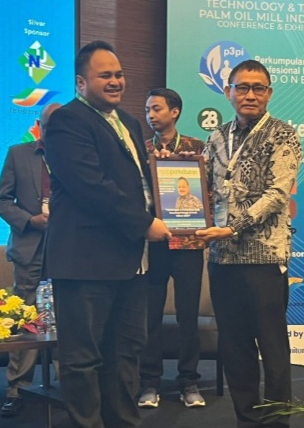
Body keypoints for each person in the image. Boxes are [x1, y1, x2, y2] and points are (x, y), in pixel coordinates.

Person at [44, 40, 172, 428]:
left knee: (125, 354)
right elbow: (92, 186)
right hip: (86, 261)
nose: (116, 81)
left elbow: (139, 186)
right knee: (82, 360)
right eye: (105, 75)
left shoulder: (130, 123)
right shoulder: (67, 121)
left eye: (119, 74)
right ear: (81, 83)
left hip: (129, 261)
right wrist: (144, 223)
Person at [196, 59, 302, 428]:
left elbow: (277, 194)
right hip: (222, 258)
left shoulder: (282, 134)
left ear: (269, 93)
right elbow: (203, 189)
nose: (250, 94)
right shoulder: (216, 138)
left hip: (264, 258)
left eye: (258, 88)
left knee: (272, 348)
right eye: (242, 87)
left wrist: (233, 227)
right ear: (228, 92)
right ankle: (246, 420)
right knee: (234, 346)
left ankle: (277, 423)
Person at [138, 88, 207, 409]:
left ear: (174, 112)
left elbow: (208, 191)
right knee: (149, 314)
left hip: (189, 241)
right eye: (147, 110)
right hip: (152, 243)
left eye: (156, 109)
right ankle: (149, 382)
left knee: (187, 315)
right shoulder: (141, 149)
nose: (150, 115)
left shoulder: (196, 148)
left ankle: (189, 381)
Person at [0, 102, 61, 418]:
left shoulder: (76, 157)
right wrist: (29, 220)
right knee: (25, 317)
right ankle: (17, 389)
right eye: (49, 124)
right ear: (39, 125)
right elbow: (1, 201)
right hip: (30, 246)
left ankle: (66, 387)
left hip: (68, 248)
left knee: (66, 316)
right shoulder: (18, 154)